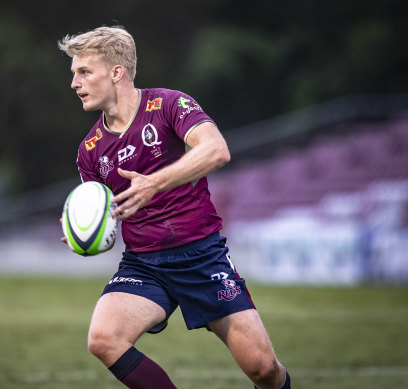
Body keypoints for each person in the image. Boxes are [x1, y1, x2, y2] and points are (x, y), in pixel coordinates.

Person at [58, 26, 291, 389]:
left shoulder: (169, 104)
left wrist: (154, 182)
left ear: (117, 72)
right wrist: (79, 229)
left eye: (84, 72)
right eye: (74, 74)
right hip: (144, 263)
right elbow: (106, 214)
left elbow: (216, 150)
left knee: (263, 370)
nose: (75, 83)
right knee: (104, 339)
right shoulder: (90, 150)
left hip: (202, 256)